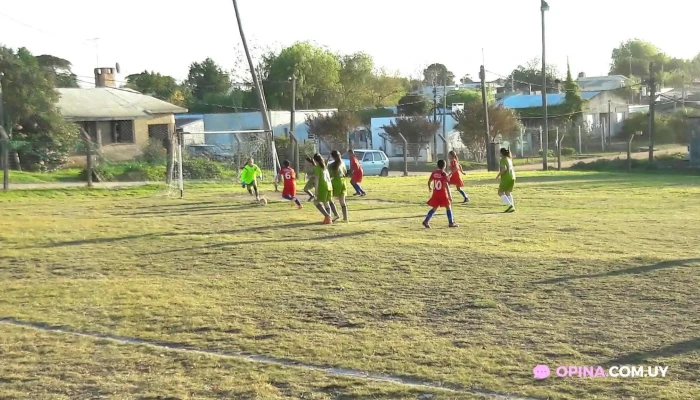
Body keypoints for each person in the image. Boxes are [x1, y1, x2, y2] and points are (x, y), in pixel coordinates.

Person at [423, 160, 459, 229]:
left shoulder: (434, 173)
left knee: (434, 208)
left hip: (436, 193)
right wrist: (450, 195)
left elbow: (429, 181)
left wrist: (429, 187)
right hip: (443, 194)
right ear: (444, 166)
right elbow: (446, 185)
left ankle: (426, 221)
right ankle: (451, 223)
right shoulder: (444, 174)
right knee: (448, 207)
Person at [312, 153, 334, 224]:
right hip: (329, 186)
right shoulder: (324, 166)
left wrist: (316, 191)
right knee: (326, 203)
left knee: (316, 202)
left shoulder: (318, 168)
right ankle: (328, 219)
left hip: (323, 187)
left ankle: (327, 216)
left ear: (315, 160)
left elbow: (317, 180)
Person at [329, 150, 349, 222]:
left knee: (329, 199)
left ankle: (336, 214)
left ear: (332, 156)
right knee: (342, 201)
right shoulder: (343, 163)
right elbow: (345, 172)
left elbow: (328, 173)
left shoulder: (331, 165)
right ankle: (345, 218)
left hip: (335, 182)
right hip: (343, 182)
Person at [495, 148, 516, 213]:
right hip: (512, 177)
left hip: (506, 178)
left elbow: (504, 169)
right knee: (508, 192)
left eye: (499, 152)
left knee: (500, 192)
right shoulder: (509, 159)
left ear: (502, 153)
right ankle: (512, 207)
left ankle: (510, 205)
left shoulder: (503, 159)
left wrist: (498, 175)